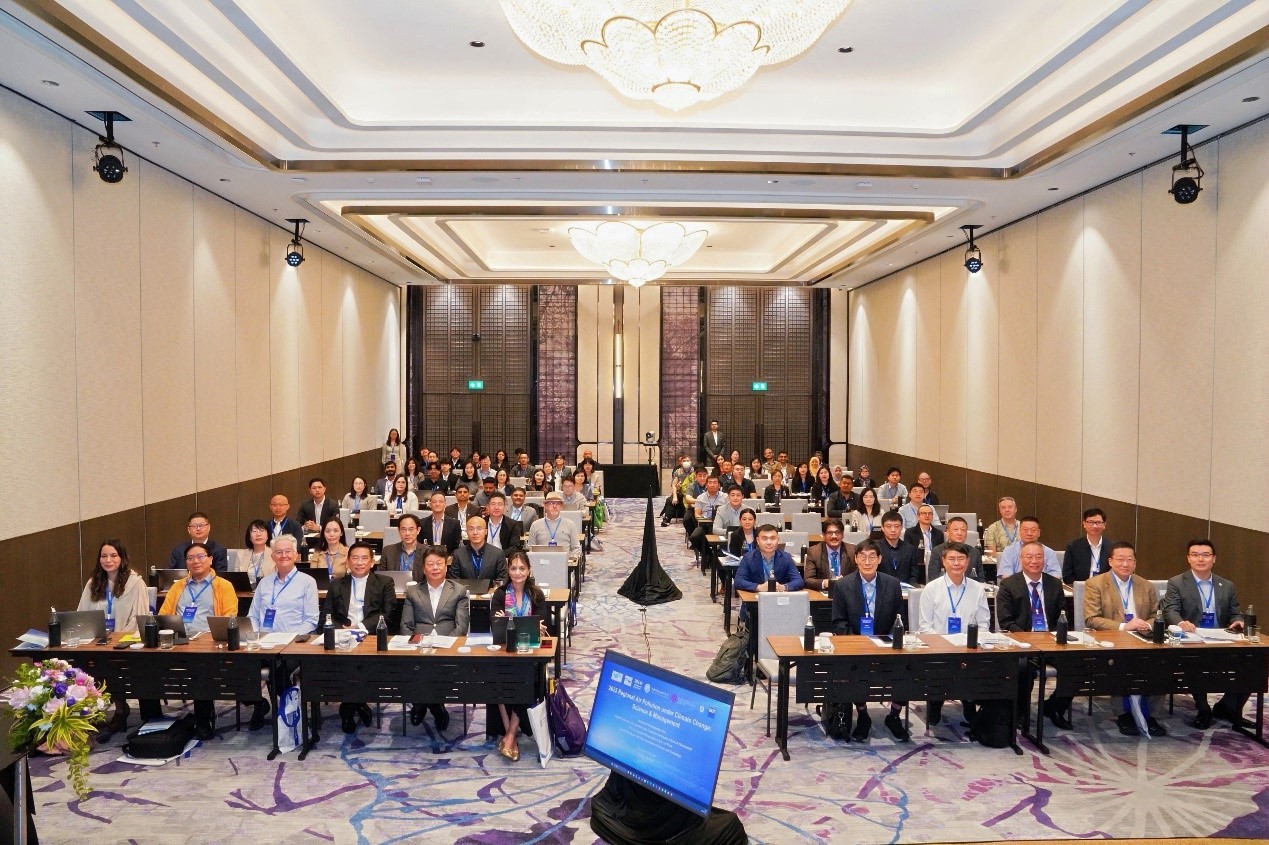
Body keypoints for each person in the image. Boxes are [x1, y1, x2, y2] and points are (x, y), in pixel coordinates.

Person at [145, 542, 238, 738]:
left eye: (200, 556)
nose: (196, 561)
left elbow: (230, 618)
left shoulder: (223, 586)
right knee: (145, 665)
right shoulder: (178, 586)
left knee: (200, 667)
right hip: (178, 641)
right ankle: (152, 721)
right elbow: (163, 615)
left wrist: (208, 638)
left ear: (210, 559)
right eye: (190, 558)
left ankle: (203, 721)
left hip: (208, 643)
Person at [1082, 541, 1165, 736]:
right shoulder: (1096, 584)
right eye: (1120, 559)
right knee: (1121, 661)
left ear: (1135, 563)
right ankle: (1123, 714)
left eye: (1130, 560)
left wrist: (1147, 624)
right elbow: (1091, 618)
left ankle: (1151, 715)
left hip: (1142, 637)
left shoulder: (1146, 585)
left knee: (1162, 661)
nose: (1125, 564)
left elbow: (1156, 615)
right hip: (1112, 639)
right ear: (1110, 561)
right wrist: (1123, 626)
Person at [1162, 539, 1247, 729]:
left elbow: (1235, 612)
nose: (1200, 559)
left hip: (1221, 638)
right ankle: (1203, 709)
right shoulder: (1177, 582)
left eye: (1205, 555)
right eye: (1195, 555)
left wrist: (1238, 621)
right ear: (1188, 558)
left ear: (1214, 558)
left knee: (1252, 662)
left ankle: (1227, 707)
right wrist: (1180, 623)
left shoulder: (1227, 585)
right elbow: (1170, 610)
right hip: (1192, 639)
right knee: (1197, 660)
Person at [829, 540, 908, 740]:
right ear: (855, 559)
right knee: (854, 667)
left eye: (872, 557)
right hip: (856, 646)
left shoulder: (892, 584)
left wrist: (886, 643)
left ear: (879, 559)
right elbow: (838, 623)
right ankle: (863, 715)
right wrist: (859, 643)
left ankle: (894, 715)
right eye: (862, 557)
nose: (867, 561)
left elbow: (899, 620)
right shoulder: (843, 585)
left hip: (885, 645)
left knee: (908, 665)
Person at [996, 541, 1073, 730]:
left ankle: (1054, 707)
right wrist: (1029, 638)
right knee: (1023, 668)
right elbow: (1006, 621)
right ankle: (1021, 712)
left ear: (1044, 560)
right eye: (1029, 557)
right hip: (1023, 642)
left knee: (1076, 665)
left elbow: (1063, 615)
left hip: (1051, 641)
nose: (1034, 561)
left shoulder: (1054, 584)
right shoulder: (1008, 585)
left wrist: (1054, 636)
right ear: (1021, 559)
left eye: (1038, 557)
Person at [246, 535, 320, 731]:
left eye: (288, 551)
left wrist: (288, 639)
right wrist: (256, 636)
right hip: (262, 643)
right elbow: (252, 615)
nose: (283, 555)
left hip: (293, 644)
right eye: (279, 552)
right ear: (273, 556)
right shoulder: (264, 583)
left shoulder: (307, 582)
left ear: (296, 555)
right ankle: (258, 704)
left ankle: (289, 710)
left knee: (278, 668)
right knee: (235, 665)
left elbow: (311, 620)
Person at [78, 540, 150, 737]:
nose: (108, 560)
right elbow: (82, 614)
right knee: (80, 662)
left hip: (124, 641)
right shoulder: (93, 583)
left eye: (113, 555)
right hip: (97, 641)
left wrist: (118, 638)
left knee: (111, 662)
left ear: (122, 558)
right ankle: (90, 707)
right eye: (104, 556)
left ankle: (120, 708)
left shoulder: (135, 583)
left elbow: (139, 617)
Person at [324, 542, 397, 734]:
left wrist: (361, 628)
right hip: (342, 637)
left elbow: (387, 614)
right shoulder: (337, 584)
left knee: (362, 664)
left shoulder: (385, 582)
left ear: (372, 562)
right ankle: (359, 703)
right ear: (348, 562)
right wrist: (343, 630)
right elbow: (327, 614)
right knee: (343, 664)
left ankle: (348, 707)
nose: (359, 562)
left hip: (371, 635)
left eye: (364, 558)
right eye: (355, 558)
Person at [917, 543, 991, 726]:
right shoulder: (931, 589)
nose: (956, 563)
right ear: (943, 561)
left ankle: (969, 700)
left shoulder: (977, 589)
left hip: (969, 648)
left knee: (974, 662)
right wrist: (945, 644)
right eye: (951, 559)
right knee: (944, 662)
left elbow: (984, 624)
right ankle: (936, 701)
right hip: (938, 647)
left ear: (968, 562)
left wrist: (970, 643)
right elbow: (925, 627)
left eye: (961, 559)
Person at [403, 546, 470, 731]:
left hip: (447, 646)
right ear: (424, 568)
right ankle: (433, 705)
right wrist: (416, 645)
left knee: (437, 666)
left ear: (446, 567)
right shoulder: (413, 591)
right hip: (418, 647)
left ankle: (426, 704)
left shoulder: (458, 590)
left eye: (439, 564)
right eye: (430, 564)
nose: (435, 568)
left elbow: (461, 627)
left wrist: (442, 645)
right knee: (417, 666)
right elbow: (406, 626)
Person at [490, 552, 548, 761]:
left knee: (525, 678)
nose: (517, 573)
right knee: (497, 678)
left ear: (529, 570)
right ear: (508, 571)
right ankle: (511, 735)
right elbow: (496, 625)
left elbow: (542, 626)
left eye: (522, 568)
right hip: (505, 649)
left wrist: (510, 620)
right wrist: (527, 623)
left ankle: (510, 736)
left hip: (530, 652)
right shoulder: (499, 594)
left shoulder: (536, 594)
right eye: (513, 568)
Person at [733, 524, 804, 622]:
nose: (769, 542)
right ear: (758, 541)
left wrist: (783, 587)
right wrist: (759, 587)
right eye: (765, 539)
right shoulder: (748, 558)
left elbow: (799, 581)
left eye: (772, 538)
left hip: (781, 604)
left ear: (778, 540)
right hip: (755, 605)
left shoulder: (786, 558)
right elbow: (738, 581)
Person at [996, 516, 1062, 579]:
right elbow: (1006, 576)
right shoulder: (1009, 551)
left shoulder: (1049, 552)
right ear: (1019, 531)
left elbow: (1056, 576)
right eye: (1025, 530)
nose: (1029, 533)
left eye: (1033, 530)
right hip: (1016, 586)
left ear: (1039, 532)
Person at [450, 516, 508, 584]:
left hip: (490, 590)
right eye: (471, 529)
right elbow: (454, 580)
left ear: (486, 531)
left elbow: (502, 579)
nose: (475, 532)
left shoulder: (498, 554)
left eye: (479, 529)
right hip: (465, 590)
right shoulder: (458, 554)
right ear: (467, 532)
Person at [527, 492, 582, 560]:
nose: (554, 506)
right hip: (542, 562)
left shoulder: (570, 524)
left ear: (561, 507)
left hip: (564, 562)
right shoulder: (535, 525)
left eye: (558, 504)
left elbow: (576, 549)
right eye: (551, 503)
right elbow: (530, 549)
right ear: (545, 506)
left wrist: (569, 560)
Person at [1062, 507, 1112, 584]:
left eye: (1098, 522)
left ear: (1104, 525)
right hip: (1081, 587)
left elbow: (1115, 573)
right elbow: (1067, 576)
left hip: (1105, 587)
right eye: (1091, 522)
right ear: (1084, 524)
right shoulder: (1073, 546)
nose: (1094, 526)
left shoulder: (1112, 547)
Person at [928, 517, 984, 582]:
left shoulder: (974, 552)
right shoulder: (937, 551)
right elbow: (933, 579)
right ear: (947, 532)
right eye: (955, 529)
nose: (959, 533)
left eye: (963, 530)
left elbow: (981, 580)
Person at [804, 519, 854, 592]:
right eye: (830, 533)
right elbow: (808, 580)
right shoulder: (814, 552)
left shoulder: (852, 551)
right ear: (823, 535)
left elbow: (859, 576)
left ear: (843, 535)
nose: (834, 536)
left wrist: (845, 582)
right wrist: (826, 583)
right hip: (824, 593)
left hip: (846, 592)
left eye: (837, 532)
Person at [877, 511, 923, 584]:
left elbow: (914, 575)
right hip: (882, 587)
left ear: (901, 527)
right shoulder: (875, 548)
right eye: (889, 526)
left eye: (897, 526)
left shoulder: (910, 549)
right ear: (882, 528)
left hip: (906, 588)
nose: (893, 530)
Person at [232, 519, 275, 586]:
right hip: (246, 591)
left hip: (267, 589)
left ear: (267, 536)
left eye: (262, 530)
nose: (258, 534)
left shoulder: (274, 554)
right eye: (254, 531)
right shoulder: (241, 555)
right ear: (250, 537)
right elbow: (236, 579)